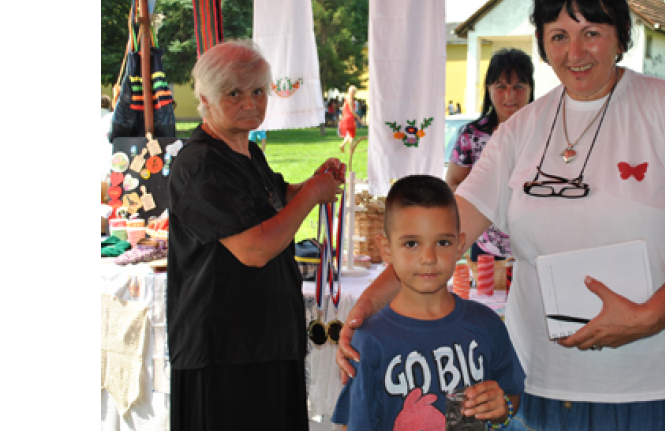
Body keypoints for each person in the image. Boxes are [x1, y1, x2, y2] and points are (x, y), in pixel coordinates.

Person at [337, 0, 665, 430]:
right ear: (543, 44)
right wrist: (367, 304)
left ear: (621, 36)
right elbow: (450, 230)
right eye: (559, 36)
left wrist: (650, 316)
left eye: (592, 33)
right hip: (542, 385)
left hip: (654, 383)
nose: (576, 52)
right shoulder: (519, 130)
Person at [167, 40, 346, 431]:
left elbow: (278, 199)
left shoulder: (246, 152)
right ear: (205, 99)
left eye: (258, 91)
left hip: (262, 341)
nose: (250, 102)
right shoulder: (201, 165)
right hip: (224, 353)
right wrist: (313, 196)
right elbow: (255, 247)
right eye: (234, 92)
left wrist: (315, 182)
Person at [330, 175, 525, 430]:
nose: (429, 257)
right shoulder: (370, 340)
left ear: (460, 246)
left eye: (443, 242)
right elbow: (355, 425)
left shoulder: (486, 324)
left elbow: (511, 395)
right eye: (412, 243)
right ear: (386, 249)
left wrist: (502, 408)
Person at [445, 48, 535, 262]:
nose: (510, 96)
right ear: (489, 89)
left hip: (535, 247)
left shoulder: (547, 133)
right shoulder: (471, 135)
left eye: (519, 87)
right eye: (501, 87)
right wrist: (491, 199)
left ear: (531, 89)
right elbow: (452, 184)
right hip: (486, 248)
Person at [339, 85, 360, 153]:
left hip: (345, 118)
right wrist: (358, 117)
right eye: (354, 91)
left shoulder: (346, 100)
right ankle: (351, 149)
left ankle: (343, 145)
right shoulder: (350, 100)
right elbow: (352, 111)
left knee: (349, 134)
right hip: (350, 118)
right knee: (352, 134)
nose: (354, 93)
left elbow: (343, 110)